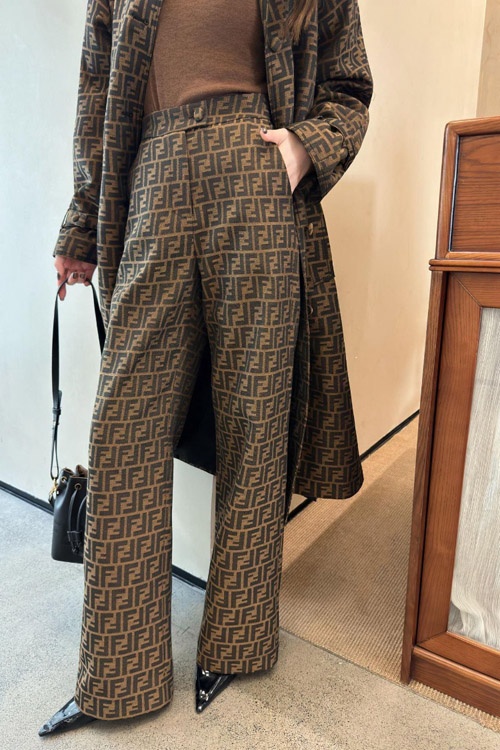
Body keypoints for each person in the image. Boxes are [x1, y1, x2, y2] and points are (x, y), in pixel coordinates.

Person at [39, 0, 372, 736]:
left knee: (256, 417)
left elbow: (348, 83)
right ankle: (116, 675)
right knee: (124, 429)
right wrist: (83, 221)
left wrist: (302, 147)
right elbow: (96, 95)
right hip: (153, 172)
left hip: (257, 171)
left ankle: (238, 639)